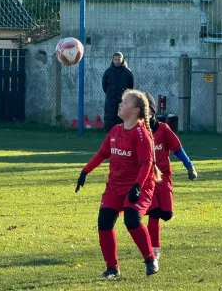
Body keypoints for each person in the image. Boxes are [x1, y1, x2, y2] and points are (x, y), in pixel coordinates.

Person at [75, 89, 160, 279]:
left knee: (131, 220)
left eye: (125, 102)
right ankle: (112, 268)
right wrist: (85, 171)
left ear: (136, 110)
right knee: (104, 223)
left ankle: (150, 259)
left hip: (140, 185)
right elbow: (102, 154)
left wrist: (137, 186)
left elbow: (147, 165)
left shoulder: (141, 135)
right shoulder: (115, 131)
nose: (120, 104)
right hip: (115, 185)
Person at [144, 93, 197, 265]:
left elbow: (177, 149)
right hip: (146, 179)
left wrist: (189, 166)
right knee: (154, 214)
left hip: (164, 178)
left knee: (166, 213)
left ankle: (153, 247)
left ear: (153, 110)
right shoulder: (136, 131)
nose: (145, 114)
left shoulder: (164, 130)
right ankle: (154, 250)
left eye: (148, 109)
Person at [102, 52, 134, 132]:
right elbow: (104, 86)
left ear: (122, 59)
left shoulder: (128, 72)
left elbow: (131, 87)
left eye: (118, 59)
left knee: (122, 120)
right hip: (111, 100)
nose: (117, 61)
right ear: (113, 60)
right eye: (115, 59)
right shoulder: (108, 72)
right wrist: (110, 94)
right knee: (110, 121)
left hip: (123, 100)